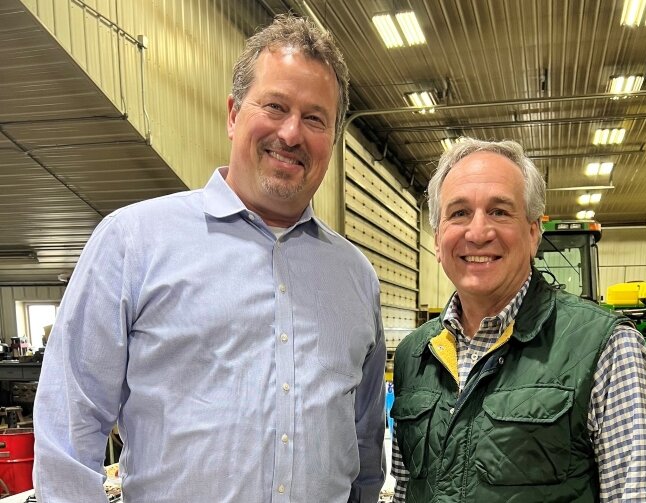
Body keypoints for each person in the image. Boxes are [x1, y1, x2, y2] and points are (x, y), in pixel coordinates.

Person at [33, 14, 386, 503]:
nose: (291, 133)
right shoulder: (132, 243)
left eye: (314, 118)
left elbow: (365, 443)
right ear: (233, 114)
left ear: (332, 138)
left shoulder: (356, 279)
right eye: (276, 106)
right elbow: (69, 431)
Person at [390, 138, 646, 502]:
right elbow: (403, 489)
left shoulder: (605, 346)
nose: (477, 232)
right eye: (459, 213)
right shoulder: (415, 355)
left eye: (499, 212)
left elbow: (637, 494)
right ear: (438, 237)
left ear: (534, 232)